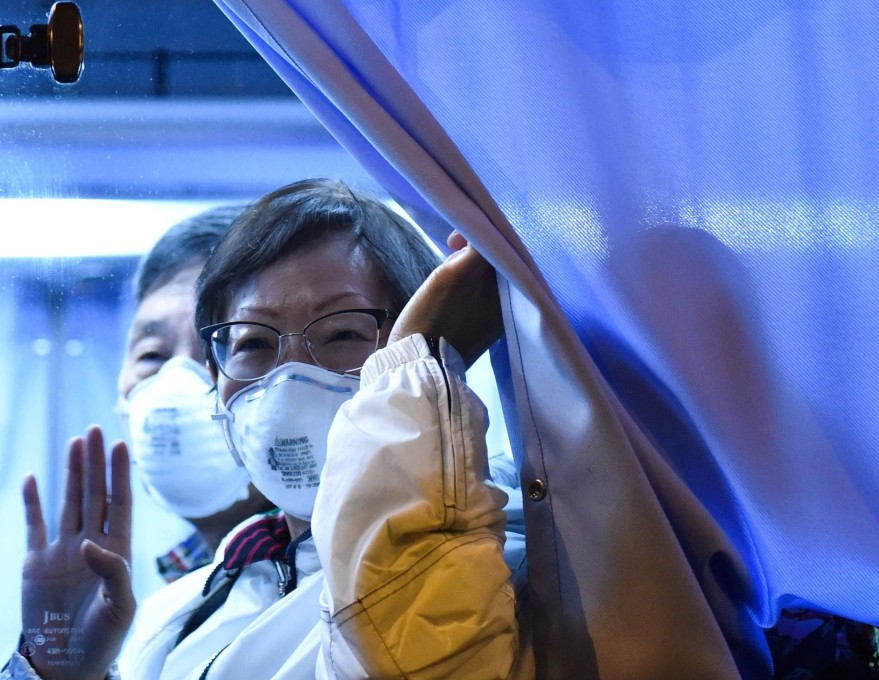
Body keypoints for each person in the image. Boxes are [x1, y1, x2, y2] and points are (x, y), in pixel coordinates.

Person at [7, 179, 529, 680]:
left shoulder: (504, 570)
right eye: (253, 342)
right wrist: (58, 670)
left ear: (423, 350)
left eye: (342, 333)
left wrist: (411, 396)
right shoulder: (174, 616)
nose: (288, 377)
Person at [116, 206, 274, 582]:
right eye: (152, 354)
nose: (176, 384)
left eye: (228, 347)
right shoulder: (179, 588)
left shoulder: (341, 579)